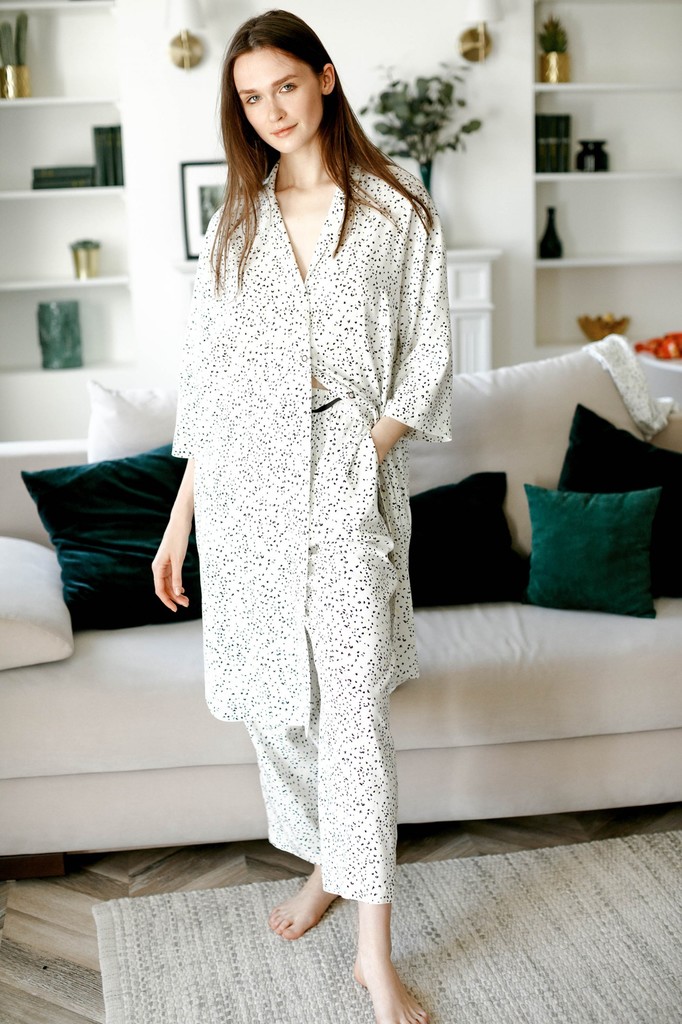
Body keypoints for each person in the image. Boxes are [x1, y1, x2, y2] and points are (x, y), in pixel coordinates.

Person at [152, 9, 452, 1023]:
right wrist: (179, 523)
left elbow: (429, 357)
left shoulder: (396, 208)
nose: (271, 110)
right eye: (250, 97)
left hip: (345, 480)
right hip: (245, 491)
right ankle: (327, 861)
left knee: (355, 716)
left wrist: (364, 454)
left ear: (324, 78)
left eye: (284, 84)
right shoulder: (235, 222)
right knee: (278, 706)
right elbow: (210, 386)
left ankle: (375, 955)